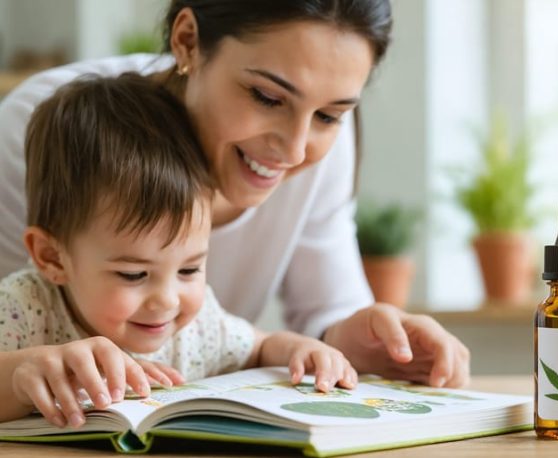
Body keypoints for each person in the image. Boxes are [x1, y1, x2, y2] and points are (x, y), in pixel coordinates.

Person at [0, 0, 469, 388]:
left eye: (329, 115)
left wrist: (366, 341)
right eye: (267, 97)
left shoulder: (320, 149)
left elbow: (323, 312)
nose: (295, 148)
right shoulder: (51, 131)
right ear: (187, 41)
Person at [0, 74, 357, 428]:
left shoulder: (198, 327)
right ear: (51, 257)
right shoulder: (24, 309)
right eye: (133, 274)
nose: (167, 301)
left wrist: (300, 350)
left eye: (189, 270)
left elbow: (260, 346)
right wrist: (19, 375)